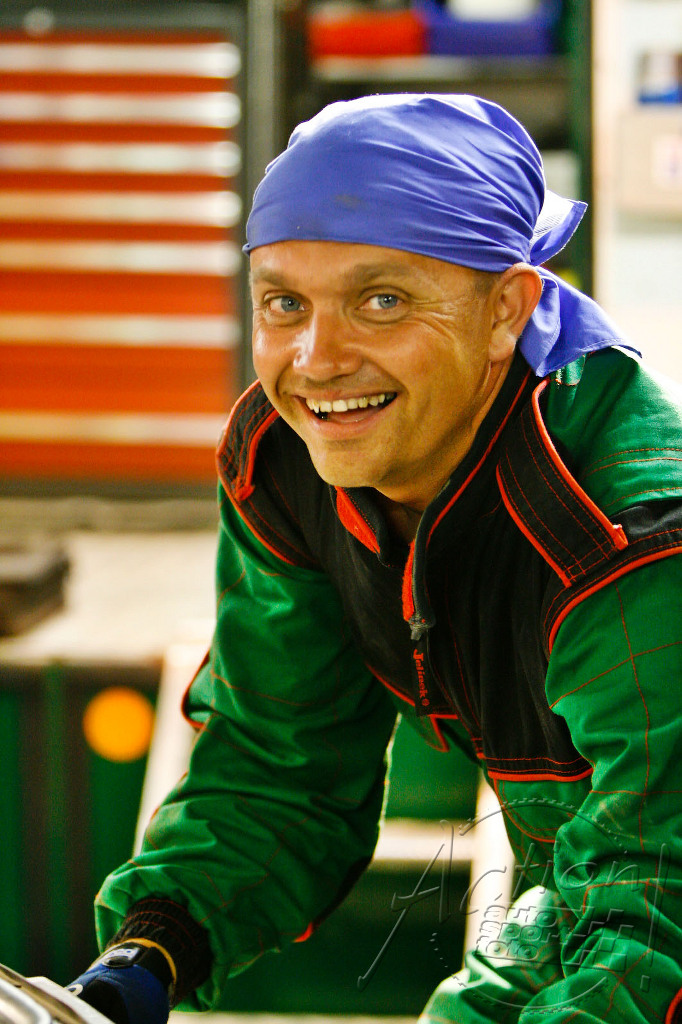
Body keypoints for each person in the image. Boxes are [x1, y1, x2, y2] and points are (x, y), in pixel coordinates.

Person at [68, 94, 682, 1024]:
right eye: (285, 303)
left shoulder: (622, 535)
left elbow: (658, 915)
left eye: (381, 301)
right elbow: (281, 766)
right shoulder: (288, 463)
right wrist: (140, 965)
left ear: (506, 310)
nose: (317, 361)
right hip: (588, 895)